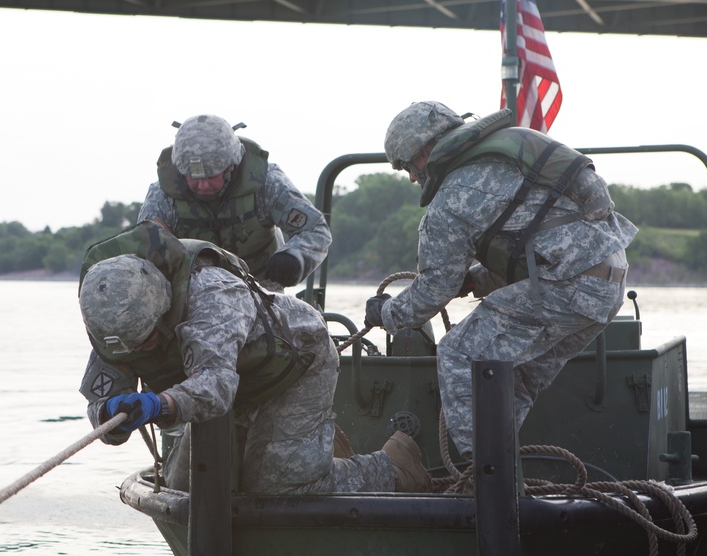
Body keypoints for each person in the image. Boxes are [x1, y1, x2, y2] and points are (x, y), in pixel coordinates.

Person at [368, 101, 637, 459]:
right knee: (515, 376)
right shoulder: (504, 159)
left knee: (458, 352)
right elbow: (537, 238)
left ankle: (479, 476)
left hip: (569, 286)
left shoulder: (451, 200)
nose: (413, 178)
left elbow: (433, 291)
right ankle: (505, 481)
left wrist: (386, 314)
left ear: (426, 150)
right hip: (608, 279)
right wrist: (477, 280)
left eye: (407, 167)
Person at [78, 221, 430, 494]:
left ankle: (393, 465)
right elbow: (100, 403)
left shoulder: (212, 294)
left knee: (281, 484)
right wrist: (109, 414)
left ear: (163, 304)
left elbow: (214, 386)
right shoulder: (115, 320)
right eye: (128, 345)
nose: (139, 350)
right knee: (184, 488)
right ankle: (304, 447)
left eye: (148, 338)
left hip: (296, 364)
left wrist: (160, 404)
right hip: (225, 382)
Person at [136, 114, 331, 291]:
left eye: (212, 176)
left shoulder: (267, 184)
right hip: (192, 291)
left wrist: (295, 256)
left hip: (261, 290)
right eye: (194, 177)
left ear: (231, 166)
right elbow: (143, 249)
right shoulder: (163, 195)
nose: (203, 186)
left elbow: (315, 230)